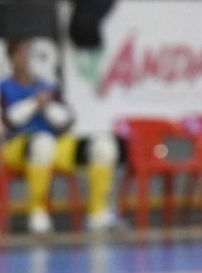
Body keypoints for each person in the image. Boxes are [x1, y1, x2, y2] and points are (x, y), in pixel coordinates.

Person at [1, 39, 120, 233]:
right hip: (17, 147)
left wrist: (47, 104)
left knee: (103, 145)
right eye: (20, 54)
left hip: (56, 145)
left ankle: (98, 214)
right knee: (42, 143)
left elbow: (66, 121)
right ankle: (38, 214)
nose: (25, 59)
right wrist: (34, 103)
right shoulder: (4, 87)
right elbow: (9, 121)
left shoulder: (48, 87)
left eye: (28, 54)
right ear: (11, 58)